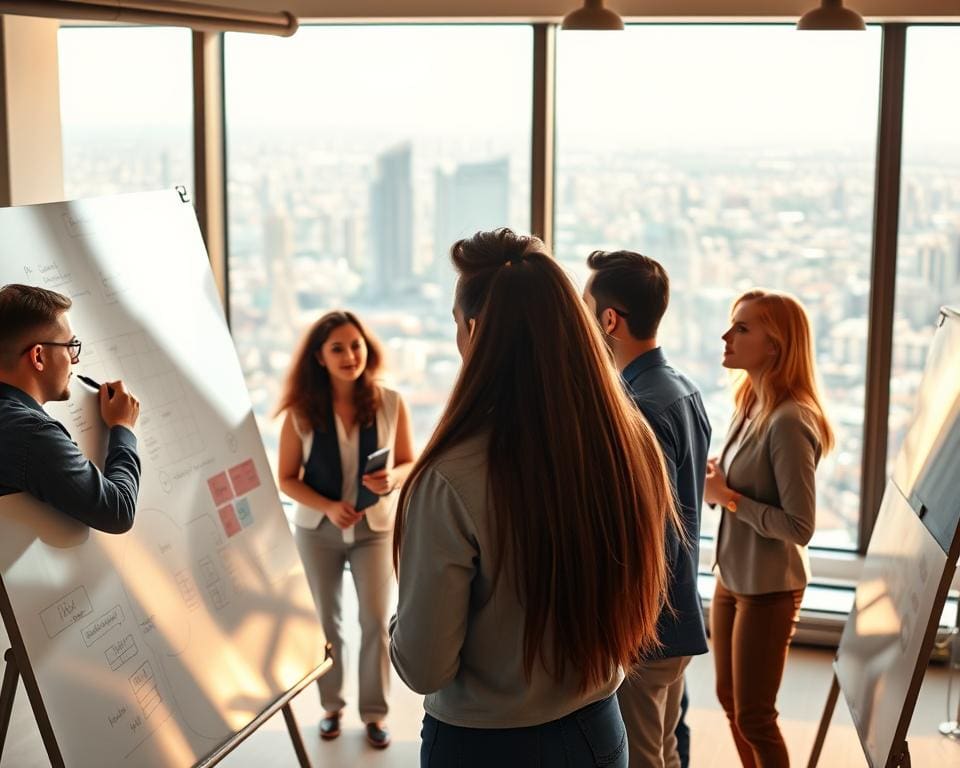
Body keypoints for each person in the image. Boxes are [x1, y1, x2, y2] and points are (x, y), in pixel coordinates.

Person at [390, 229, 676, 767]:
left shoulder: (450, 478)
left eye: (457, 325)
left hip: (486, 747)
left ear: (474, 331)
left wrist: (396, 621)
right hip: (599, 728)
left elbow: (424, 667)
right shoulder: (628, 441)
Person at [584, 250, 711, 768]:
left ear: (609, 320)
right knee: (665, 746)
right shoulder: (683, 388)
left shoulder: (638, 408)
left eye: (586, 306)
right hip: (678, 610)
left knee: (642, 757)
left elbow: (641, 531)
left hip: (647, 622)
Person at [705, 289, 834, 768]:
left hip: (768, 588)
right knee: (730, 701)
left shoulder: (788, 420)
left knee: (755, 716)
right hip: (732, 575)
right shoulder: (750, 402)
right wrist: (726, 480)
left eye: (742, 327)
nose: (726, 336)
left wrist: (729, 497)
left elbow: (800, 525)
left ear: (775, 345)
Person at [276, 310, 414, 750]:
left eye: (355, 345)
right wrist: (330, 507)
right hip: (319, 530)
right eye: (337, 348)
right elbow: (287, 477)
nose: (349, 355)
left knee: (375, 621)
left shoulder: (391, 401)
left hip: (374, 528)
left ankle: (375, 714)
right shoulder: (301, 412)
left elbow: (410, 461)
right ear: (319, 357)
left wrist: (391, 479)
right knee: (327, 623)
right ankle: (331, 706)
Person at [0, 284, 141, 532]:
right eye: (71, 345)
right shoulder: (32, 433)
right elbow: (118, 511)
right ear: (39, 357)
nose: (75, 359)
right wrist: (123, 427)